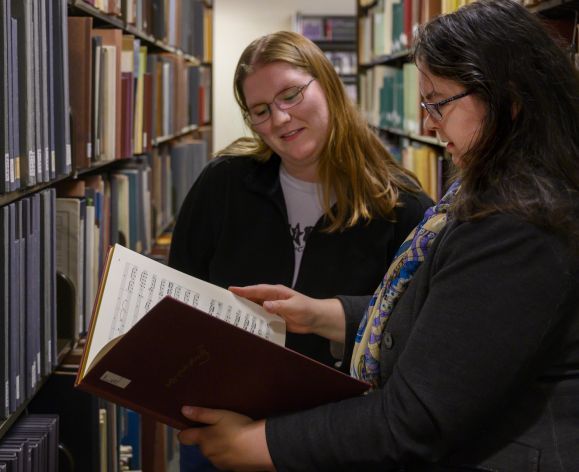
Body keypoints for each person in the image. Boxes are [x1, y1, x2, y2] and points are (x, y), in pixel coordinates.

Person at [176, 1, 579, 470]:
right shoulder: (490, 196)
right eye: (261, 110)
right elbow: (450, 316)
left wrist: (258, 445)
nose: (428, 122)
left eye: (438, 102)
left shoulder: (519, 222)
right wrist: (326, 314)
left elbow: (415, 415)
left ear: (507, 96)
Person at [169, 31, 432, 470]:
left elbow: (420, 323)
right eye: (261, 110)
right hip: (223, 427)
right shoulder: (223, 185)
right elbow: (180, 289)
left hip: (333, 438)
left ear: (327, 84)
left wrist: (329, 312)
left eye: (291, 94)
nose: (280, 118)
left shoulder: (399, 203)